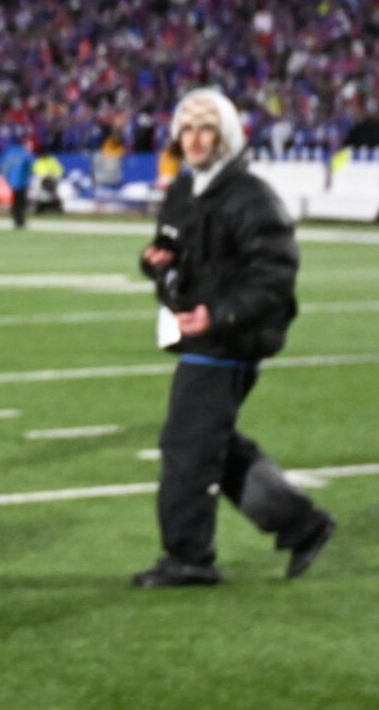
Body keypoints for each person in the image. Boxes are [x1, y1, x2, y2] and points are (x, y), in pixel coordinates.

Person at [134, 88, 336, 588]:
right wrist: (153, 262)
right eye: (186, 129)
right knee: (212, 445)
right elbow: (171, 249)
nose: (194, 139)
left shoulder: (250, 196)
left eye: (206, 128)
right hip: (198, 333)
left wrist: (218, 317)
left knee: (186, 444)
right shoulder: (185, 191)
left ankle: (189, 556)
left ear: (226, 135)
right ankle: (300, 523)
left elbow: (274, 276)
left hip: (228, 340)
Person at [0, 137, 35, 229]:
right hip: (22, 181)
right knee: (21, 202)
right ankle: (20, 221)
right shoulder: (24, 153)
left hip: (12, 181)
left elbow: (4, 167)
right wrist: (29, 176)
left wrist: (8, 178)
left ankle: (16, 220)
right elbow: (31, 165)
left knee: (15, 201)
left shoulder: (8, 153)